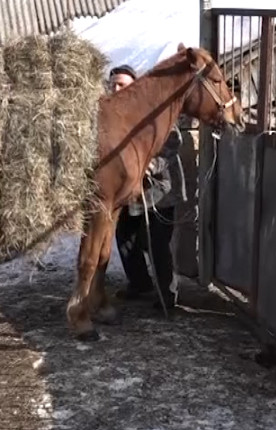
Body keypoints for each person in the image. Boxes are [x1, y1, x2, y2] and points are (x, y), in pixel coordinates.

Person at [108, 64, 185, 313]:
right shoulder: (111, 114)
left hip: (158, 191)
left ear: (135, 85)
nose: (116, 88)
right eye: (113, 84)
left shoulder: (154, 111)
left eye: (121, 84)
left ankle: (167, 298)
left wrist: (148, 167)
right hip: (129, 193)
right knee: (125, 239)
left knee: (156, 245)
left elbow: (172, 142)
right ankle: (140, 284)